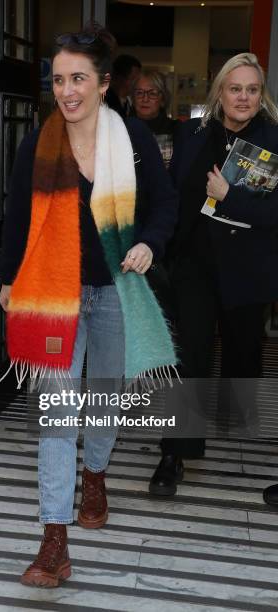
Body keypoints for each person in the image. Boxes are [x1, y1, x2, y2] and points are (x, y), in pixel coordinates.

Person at [0, 23, 178, 587]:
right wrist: (8, 281)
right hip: (55, 298)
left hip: (116, 293)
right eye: (58, 80)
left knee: (102, 399)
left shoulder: (134, 141)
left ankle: (95, 472)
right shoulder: (39, 141)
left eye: (79, 78)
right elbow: (17, 216)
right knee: (57, 413)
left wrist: (148, 242)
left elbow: (165, 205)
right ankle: (54, 538)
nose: (67, 90)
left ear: (103, 84)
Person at [149, 53, 278, 497]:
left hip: (248, 270)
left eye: (252, 89)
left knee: (243, 354)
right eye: (235, 88)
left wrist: (229, 197)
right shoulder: (190, 134)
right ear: (219, 92)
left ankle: (237, 422)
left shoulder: (274, 140)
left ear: (262, 95)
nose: (243, 97)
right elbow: (171, 194)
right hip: (194, 267)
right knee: (189, 358)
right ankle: (174, 452)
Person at [132, 69, 179, 168]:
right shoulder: (120, 129)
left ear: (162, 99)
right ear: (133, 98)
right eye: (139, 93)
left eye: (152, 93)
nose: (145, 99)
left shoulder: (177, 130)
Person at [105, 53, 141, 120]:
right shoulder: (105, 102)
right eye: (134, 79)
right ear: (121, 78)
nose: (138, 83)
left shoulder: (130, 101)